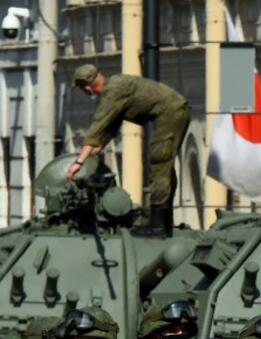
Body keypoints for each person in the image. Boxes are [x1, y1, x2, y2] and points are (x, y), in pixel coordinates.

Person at [68, 64, 192, 235]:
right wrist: (100, 146)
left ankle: (158, 227)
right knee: (164, 167)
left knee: (160, 163)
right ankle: (164, 222)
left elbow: (97, 127)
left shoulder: (112, 93)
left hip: (170, 113)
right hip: (175, 110)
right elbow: (113, 123)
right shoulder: (115, 86)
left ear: (87, 88)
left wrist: (79, 162)